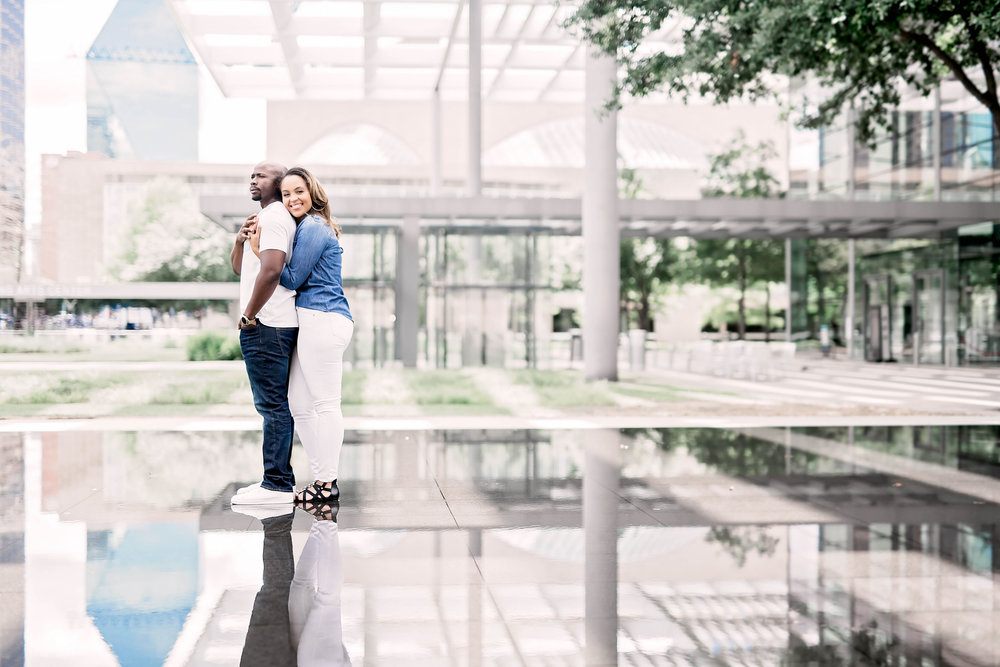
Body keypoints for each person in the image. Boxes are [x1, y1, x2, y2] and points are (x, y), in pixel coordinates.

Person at [251, 166, 353, 505]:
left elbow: (291, 278)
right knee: (298, 404)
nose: (292, 199)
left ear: (313, 193)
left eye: (299, 191)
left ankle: (327, 483)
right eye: (286, 194)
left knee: (325, 403)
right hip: (313, 320)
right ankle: (321, 476)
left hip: (322, 318)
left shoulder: (313, 226)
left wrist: (258, 252)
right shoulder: (308, 227)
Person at [230, 161, 299, 506]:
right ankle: (278, 480)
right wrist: (239, 241)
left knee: (272, 406)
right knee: (274, 405)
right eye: (251, 176)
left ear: (279, 182)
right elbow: (244, 270)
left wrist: (248, 316)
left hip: (266, 324)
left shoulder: (273, 217)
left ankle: (277, 485)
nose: (253, 181)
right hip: (270, 323)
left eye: (261, 176)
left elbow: (271, 271)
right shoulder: (265, 219)